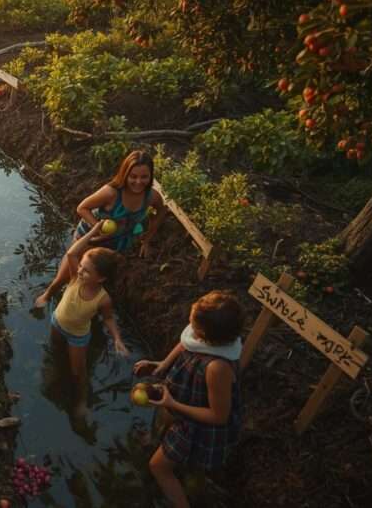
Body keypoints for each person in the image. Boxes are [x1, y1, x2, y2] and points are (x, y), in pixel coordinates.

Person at [133, 291, 244, 508]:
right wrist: (162, 365)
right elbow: (186, 343)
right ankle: (165, 448)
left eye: (193, 324)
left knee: (158, 467)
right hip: (182, 402)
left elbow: (219, 416)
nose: (188, 326)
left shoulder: (217, 367)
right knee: (165, 426)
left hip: (197, 425)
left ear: (204, 335)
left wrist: (173, 404)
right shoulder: (210, 337)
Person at [35, 150, 166, 308]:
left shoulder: (151, 196)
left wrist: (147, 240)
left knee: (98, 276)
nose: (138, 182)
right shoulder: (111, 192)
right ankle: (50, 292)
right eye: (133, 176)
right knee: (70, 271)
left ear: (150, 176)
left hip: (118, 241)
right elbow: (82, 208)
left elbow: (161, 211)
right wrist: (97, 228)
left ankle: (87, 302)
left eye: (144, 177)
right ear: (125, 174)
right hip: (91, 237)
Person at [50, 220, 132, 416]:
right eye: (81, 267)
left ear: (101, 279)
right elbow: (71, 253)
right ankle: (56, 372)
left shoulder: (103, 299)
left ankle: (81, 400)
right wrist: (93, 231)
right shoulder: (74, 278)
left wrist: (117, 338)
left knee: (79, 373)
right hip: (56, 322)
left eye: (86, 270)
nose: (80, 270)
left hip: (77, 337)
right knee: (55, 352)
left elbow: (109, 318)